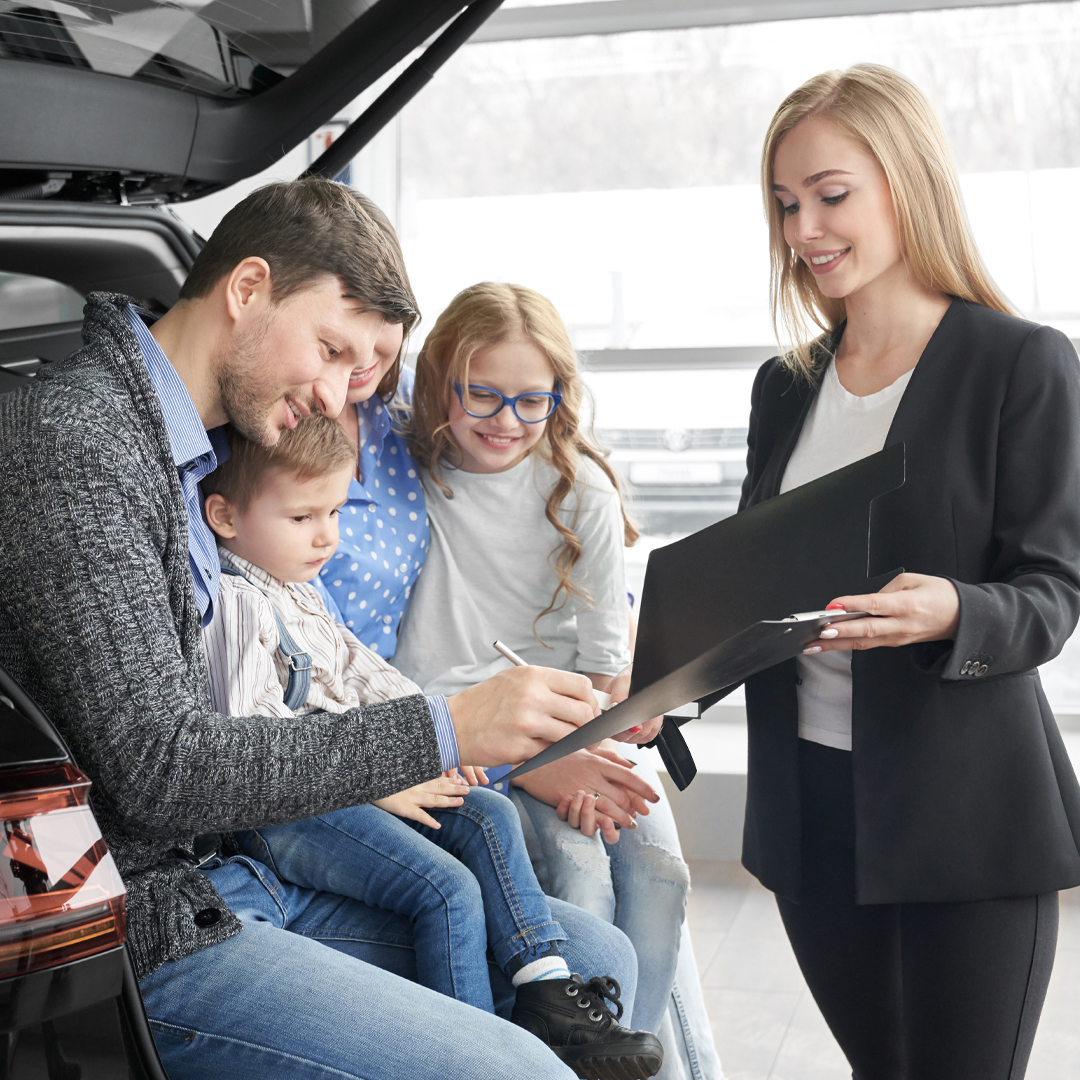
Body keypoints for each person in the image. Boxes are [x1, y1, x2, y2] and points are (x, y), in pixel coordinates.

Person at [0, 177, 643, 1080]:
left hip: (229, 865)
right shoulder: (80, 445)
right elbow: (159, 771)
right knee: (521, 1066)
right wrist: (444, 728)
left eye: (362, 366)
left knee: (600, 959)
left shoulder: (187, 449)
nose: (339, 392)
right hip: (134, 922)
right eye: (332, 349)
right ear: (248, 288)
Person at [737, 64, 1080, 1079]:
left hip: (965, 816)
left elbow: (1054, 593)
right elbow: (755, 575)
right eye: (786, 203)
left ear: (907, 182)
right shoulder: (783, 385)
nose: (804, 229)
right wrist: (670, 666)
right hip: (811, 806)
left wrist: (953, 611)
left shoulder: (1021, 363)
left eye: (831, 195)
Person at [199, 412, 665, 1078]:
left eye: (334, 513)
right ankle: (479, 1049)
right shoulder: (238, 604)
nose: (326, 536)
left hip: (347, 783)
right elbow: (255, 745)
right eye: (303, 518)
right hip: (290, 814)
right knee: (445, 889)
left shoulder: (300, 591)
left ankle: (543, 985)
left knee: (489, 812)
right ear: (223, 516)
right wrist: (381, 774)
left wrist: (436, 735)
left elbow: (368, 674)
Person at [391, 282, 723, 1080]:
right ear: (440, 381)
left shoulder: (583, 492)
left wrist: (581, 749)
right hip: (468, 734)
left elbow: (608, 675)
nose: (507, 421)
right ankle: (569, 1053)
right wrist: (536, 768)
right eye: (483, 395)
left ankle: (627, 1054)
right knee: (578, 872)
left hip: (577, 722)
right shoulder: (409, 476)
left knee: (657, 870)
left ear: (560, 398)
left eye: (532, 401)